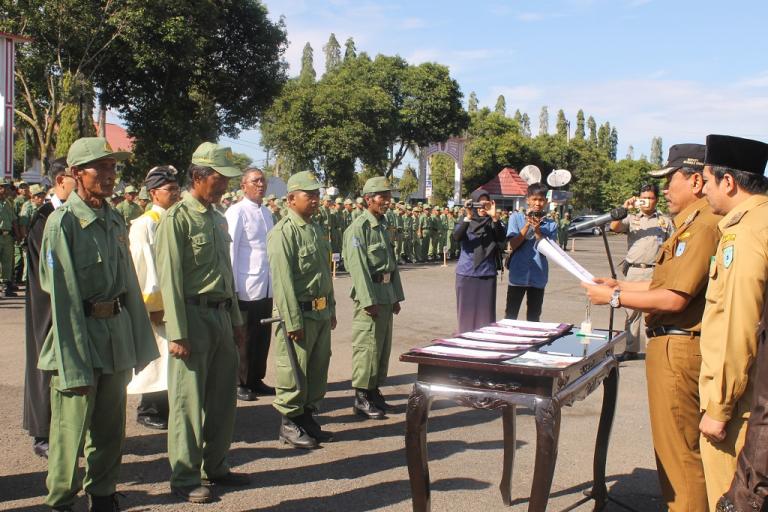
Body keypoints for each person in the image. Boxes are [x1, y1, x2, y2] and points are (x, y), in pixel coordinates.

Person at [583, 144, 720, 511]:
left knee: (680, 456)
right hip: (671, 345)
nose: (664, 191)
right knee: (673, 450)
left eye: (670, 180)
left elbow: (674, 298)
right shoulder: (691, 222)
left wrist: (613, 300)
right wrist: (619, 286)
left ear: (694, 180)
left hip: (679, 348)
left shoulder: (702, 225)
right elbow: (664, 285)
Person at [38, 137, 158, 511]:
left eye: (113, 168)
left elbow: (128, 286)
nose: (110, 175)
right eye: (101, 168)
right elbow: (63, 302)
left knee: (109, 430)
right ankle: (61, 501)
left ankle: (103, 494)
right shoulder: (63, 225)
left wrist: (139, 345)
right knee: (70, 433)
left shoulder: (113, 217)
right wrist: (74, 365)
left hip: (114, 340)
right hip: (80, 342)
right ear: (77, 174)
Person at [155, 143, 249, 503]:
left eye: (226, 179)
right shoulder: (176, 220)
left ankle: (217, 466)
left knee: (223, 398)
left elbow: (226, 273)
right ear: (197, 177)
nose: (224, 185)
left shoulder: (216, 217)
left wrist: (237, 318)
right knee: (188, 401)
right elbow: (170, 279)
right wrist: (177, 332)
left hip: (222, 315)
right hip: (192, 317)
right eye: (218, 178)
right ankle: (184, 475)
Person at [694, 135, 768, 511]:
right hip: (753, 398)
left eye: (706, 180)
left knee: (732, 500)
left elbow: (740, 324)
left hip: (739, 406)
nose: (702, 189)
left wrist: (719, 407)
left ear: (729, 182)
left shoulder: (747, 233)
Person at [267, 171, 337, 449]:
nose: (316, 200)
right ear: (291, 199)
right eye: (310, 195)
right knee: (294, 371)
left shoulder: (315, 229)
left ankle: (307, 418)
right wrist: (292, 321)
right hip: (299, 315)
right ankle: (289, 423)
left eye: (318, 195)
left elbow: (323, 275)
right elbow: (282, 283)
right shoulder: (282, 233)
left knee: (317, 370)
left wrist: (331, 308)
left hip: (319, 312)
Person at [23, 158, 76, 460]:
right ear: (59, 181)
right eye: (73, 177)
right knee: (45, 361)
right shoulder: (45, 218)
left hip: (68, 302)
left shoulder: (70, 214)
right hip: (47, 301)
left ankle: (67, 428)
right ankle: (42, 431)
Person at [342, 177, 404, 420]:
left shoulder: (383, 224)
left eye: (388, 197)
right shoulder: (358, 229)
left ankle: (374, 391)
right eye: (382, 197)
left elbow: (392, 264)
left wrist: (396, 296)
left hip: (386, 294)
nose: (387, 201)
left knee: (382, 347)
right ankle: (361, 396)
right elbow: (358, 269)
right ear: (368, 199)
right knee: (367, 347)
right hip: (371, 295)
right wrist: (368, 301)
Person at [127, 165, 181, 431]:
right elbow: (143, 267)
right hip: (158, 305)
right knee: (157, 359)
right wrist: (154, 306)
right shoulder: (145, 224)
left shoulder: (174, 220)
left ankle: (167, 406)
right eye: (169, 189)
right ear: (153, 193)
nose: (175, 193)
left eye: (176, 188)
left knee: (172, 358)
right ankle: (148, 409)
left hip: (176, 301)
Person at [224, 167, 276, 402]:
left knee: (262, 334)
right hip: (244, 285)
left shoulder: (266, 212)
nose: (260, 184)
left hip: (265, 284)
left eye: (263, 181)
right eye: (255, 181)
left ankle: (256, 378)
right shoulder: (237, 212)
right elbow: (231, 251)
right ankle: (239, 381)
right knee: (243, 336)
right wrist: (231, 287)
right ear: (243, 185)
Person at [610, 183, 673, 360]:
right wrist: (624, 207)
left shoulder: (664, 221)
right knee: (631, 311)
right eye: (643, 198)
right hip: (634, 271)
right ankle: (630, 349)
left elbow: (673, 245)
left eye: (651, 198)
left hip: (655, 271)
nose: (647, 202)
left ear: (657, 200)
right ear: (638, 199)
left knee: (652, 313)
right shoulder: (631, 218)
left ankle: (652, 350)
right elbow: (614, 227)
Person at [454, 189, 506, 333]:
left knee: (486, 317)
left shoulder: (493, 222)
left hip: (486, 274)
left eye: (486, 204)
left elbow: (502, 239)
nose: (482, 208)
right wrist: (468, 216)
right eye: (479, 204)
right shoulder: (465, 220)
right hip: (466, 273)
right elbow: (457, 237)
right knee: (465, 315)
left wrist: (495, 218)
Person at [504, 183, 558, 321]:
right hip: (518, 274)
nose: (537, 203)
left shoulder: (551, 224)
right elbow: (513, 244)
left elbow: (550, 251)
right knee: (511, 315)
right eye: (534, 199)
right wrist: (528, 225)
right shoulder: (516, 218)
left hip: (538, 276)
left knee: (534, 317)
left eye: (541, 200)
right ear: (527, 199)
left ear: (546, 201)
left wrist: (538, 231)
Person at [0, 179, 19, 297]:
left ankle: (6, 286)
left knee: (7, 261)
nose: (6, 190)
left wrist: (17, 234)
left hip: (7, 237)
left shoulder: (8, 203)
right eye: (3, 187)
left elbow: (14, 220)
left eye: (7, 188)